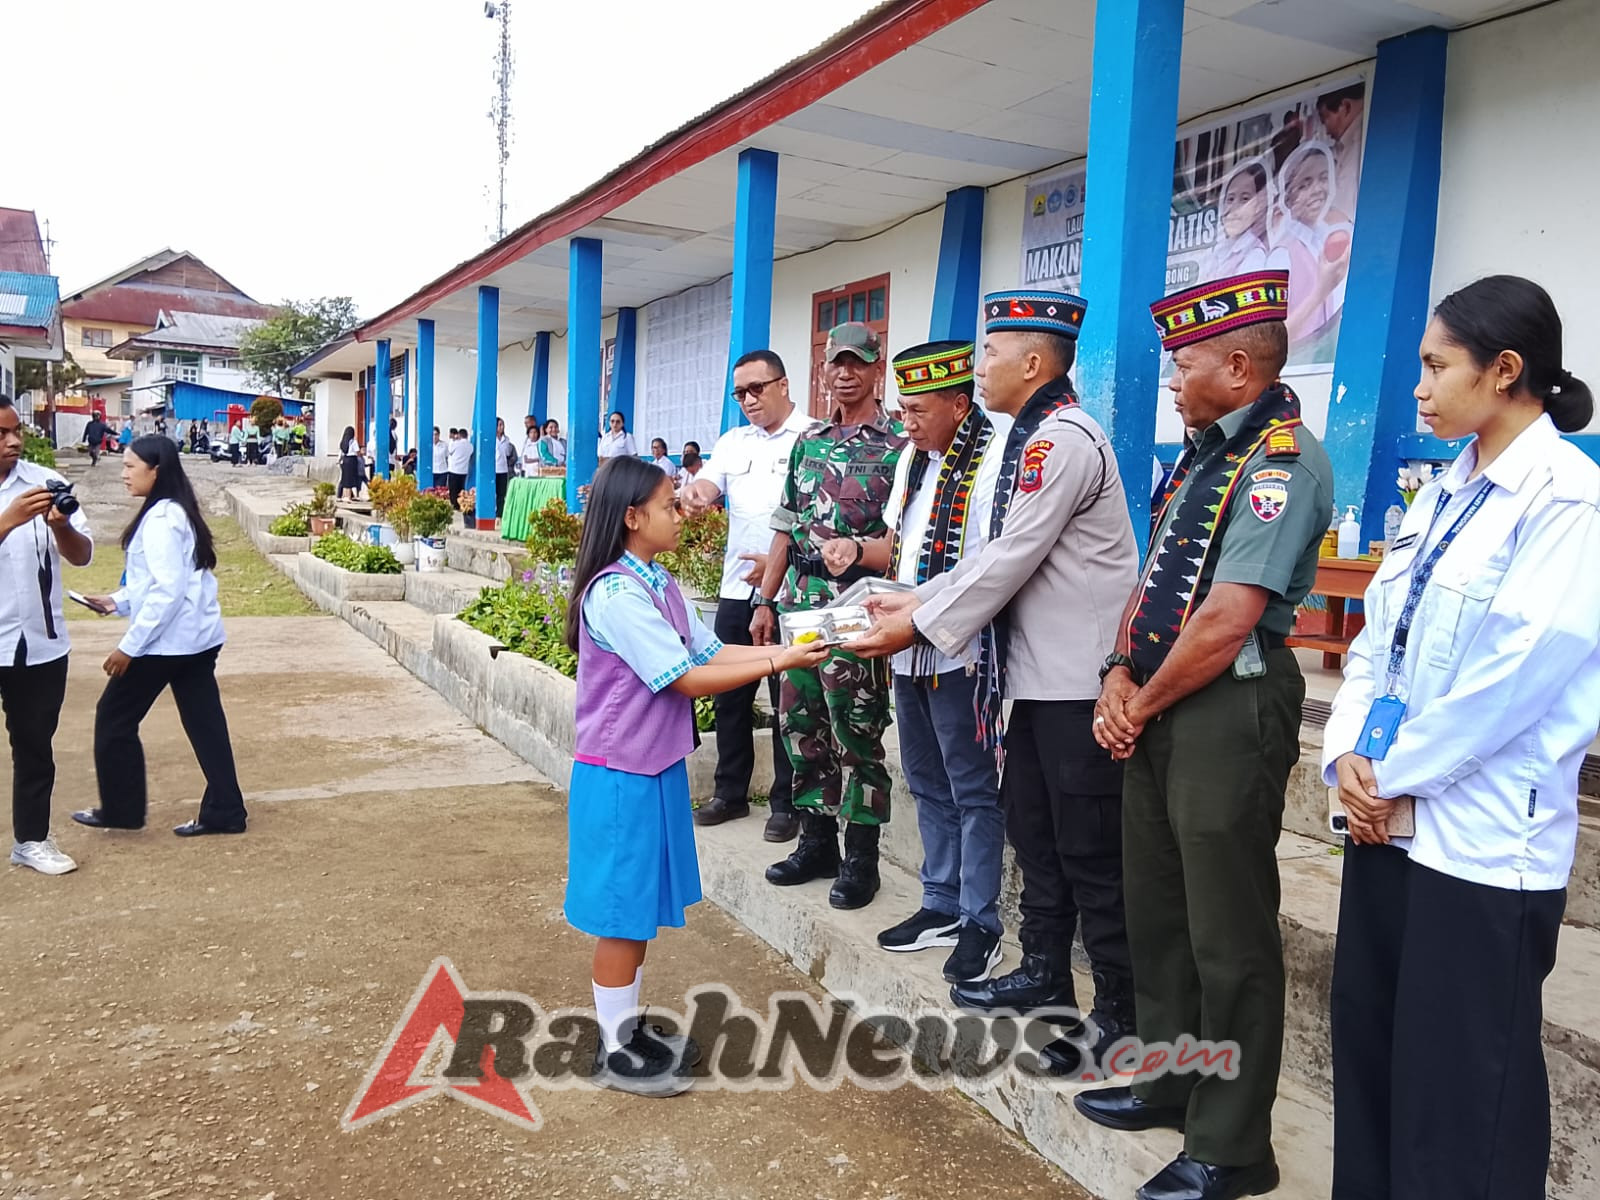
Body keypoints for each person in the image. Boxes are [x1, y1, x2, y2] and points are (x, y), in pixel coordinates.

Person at [1324, 276, 1599, 1200]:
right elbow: (1377, 641)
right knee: (1374, 1057)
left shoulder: (1564, 500)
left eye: (1437, 365)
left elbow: (1511, 682)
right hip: (1388, 819)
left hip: (1482, 844)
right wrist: (1352, 759)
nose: (1418, 385)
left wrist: (1394, 775)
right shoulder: (1450, 487)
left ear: (1506, 370)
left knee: (1462, 1094)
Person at [1077, 271, 1334, 1200]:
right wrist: (1117, 671)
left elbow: (1228, 619)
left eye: (1184, 362)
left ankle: (1231, 1146)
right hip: (1160, 696)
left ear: (1237, 364)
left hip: (1228, 708)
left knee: (1226, 930)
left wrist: (1137, 706)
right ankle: (1171, 1078)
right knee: (1160, 911)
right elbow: (1157, 586)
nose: (1175, 379)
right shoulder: (1200, 455)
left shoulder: (1280, 463)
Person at [852, 293, 1139, 1071]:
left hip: (1077, 686)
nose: (980, 369)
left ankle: (1118, 1017)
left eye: (989, 354)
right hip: (1035, 684)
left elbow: (1008, 559)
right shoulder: (1034, 438)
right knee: (1038, 839)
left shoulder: (1063, 441)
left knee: (1087, 854)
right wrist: (916, 599)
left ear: (1034, 364)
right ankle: (1047, 977)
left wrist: (914, 622)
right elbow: (994, 557)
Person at [564, 455, 828, 1096]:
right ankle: (615, 1049)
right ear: (632, 518)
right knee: (621, 916)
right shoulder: (617, 593)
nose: (681, 514)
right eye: (668, 506)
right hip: (619, 773)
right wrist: (779, 662)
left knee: (639, 908)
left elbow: (708, 651)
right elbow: (682, 677)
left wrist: (785, 648)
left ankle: (624, 1027)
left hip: (649, 766)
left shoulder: (655, 582)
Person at [865, 340, 1009, 984]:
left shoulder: (993, 456)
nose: (907, 422)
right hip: (907, 646)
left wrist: (912, 612)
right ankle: (940, 901)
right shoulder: (913, 461)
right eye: (902, 409)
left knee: (974, 788)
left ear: (960, 403)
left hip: (962, 649)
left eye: (919, 410)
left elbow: (983, 567)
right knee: (924, 778)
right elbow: (901, 547)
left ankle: (981, 918)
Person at [753, 322, 907, 909]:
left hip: (859, 608)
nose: (844, 372)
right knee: (802, 726)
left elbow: (904, 538)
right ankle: (818, 842)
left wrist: (860, 556)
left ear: (876, 368)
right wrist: (766, 600)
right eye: (834, 362)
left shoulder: (899, 442)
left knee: (857, 730)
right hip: (800, 605)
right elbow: (785, 526)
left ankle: (862, 856)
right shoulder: (809, 441)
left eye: (856, 362)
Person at [72, 436, 247, 838]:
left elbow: (167, 592)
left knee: (113, 718)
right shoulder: (169, 513)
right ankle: (226, 810)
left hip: (169, 643)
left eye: (131, 466)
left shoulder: (164, 519)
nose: (123, 474)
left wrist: (127, 648)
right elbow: (158, 582)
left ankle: (121, 810)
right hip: (195, 640)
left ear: (156, 471)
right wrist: (116, 602)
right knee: (205, 725)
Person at [679, 350, 814, 842]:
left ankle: (786, 801)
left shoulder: (812, 436)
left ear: (783, 384)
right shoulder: (734, 441)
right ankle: (730, 793)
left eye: (757, 389)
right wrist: (696, 495)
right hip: (738, 589)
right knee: (730, 690)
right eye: (740, 393)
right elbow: (708, 486)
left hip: (792, 589)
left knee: (788, 697)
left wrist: (779, 572)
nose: (749, 400)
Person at [0, 396, 94, 876]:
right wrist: (7, 521)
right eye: (1, 434)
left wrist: (60, 531)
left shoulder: (43, 483)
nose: (14, 441)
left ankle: (31, 840)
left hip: (37, 644)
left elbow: (81, 556)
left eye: (16, 430)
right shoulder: (16, 504)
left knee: (35, 747)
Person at [1274, 142, 1351, 355]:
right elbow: (1274, 340)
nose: (1317, 189)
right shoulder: (1282, 255)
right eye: (1304, 185)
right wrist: (1322, 290)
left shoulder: (1324, 239)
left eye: (1323, 178)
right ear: (1288, 198)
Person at [1198, 159, 1290, 281]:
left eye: (1245, 199)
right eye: (1230, 199)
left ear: (1261, 204)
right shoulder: (1219, 254)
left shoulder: (1257, 255)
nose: (1234, 208)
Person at [1315, 82, 1364, 223]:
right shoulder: (1345, 146)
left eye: (1325, 119)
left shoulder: (1358, 146)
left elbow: (1341, 213)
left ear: (1346, 107)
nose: (1326, 131)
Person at [446, 427, 473, 508]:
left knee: (453, 489)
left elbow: (450, 450)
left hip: (454, 470)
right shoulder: (470, 446)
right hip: (463, 470)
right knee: (461, 489)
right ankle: (460, 505)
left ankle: (454, 505)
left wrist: (452, 439)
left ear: (459, 435)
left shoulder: (456, 443)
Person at [494, 417, 516, 516]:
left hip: (503, 469)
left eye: (503, 425)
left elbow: (507, 453)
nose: (502, 427)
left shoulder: (506, 439)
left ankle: (500, 513)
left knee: (501, 493)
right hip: (494, 469)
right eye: (499, 425)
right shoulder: (492, 439)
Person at [338, 426, 365, 501]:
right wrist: (361, 453)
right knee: (350, 478)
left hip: (345, 460)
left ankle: (344, 496)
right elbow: (357, 452)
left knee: (345, 478)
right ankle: (349, 496)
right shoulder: (353, 441)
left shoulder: (343, 442)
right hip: (352, 460)